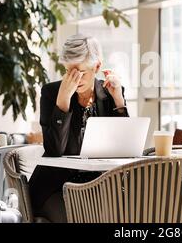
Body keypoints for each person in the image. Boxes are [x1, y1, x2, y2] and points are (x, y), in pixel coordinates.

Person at [28, 34, 129, 223]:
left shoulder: (111, 92)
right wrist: (63, 101)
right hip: (56, 187)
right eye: (68, 71)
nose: (74, 78)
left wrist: (118, 101)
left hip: (98, 186)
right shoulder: (51, 93)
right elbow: (54, 150)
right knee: (79, 218)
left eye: (80, 71)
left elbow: (123, 147)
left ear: (97, 66)